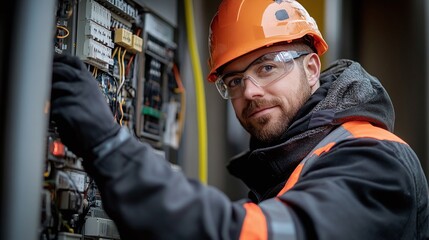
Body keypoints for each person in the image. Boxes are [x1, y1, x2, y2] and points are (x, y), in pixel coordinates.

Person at [50, 0, 429, 239]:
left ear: (312, 68)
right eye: (234, 80)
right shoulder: (284, 170)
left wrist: (109, 145)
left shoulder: (374, 160)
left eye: (267, 67)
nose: (249, 92)